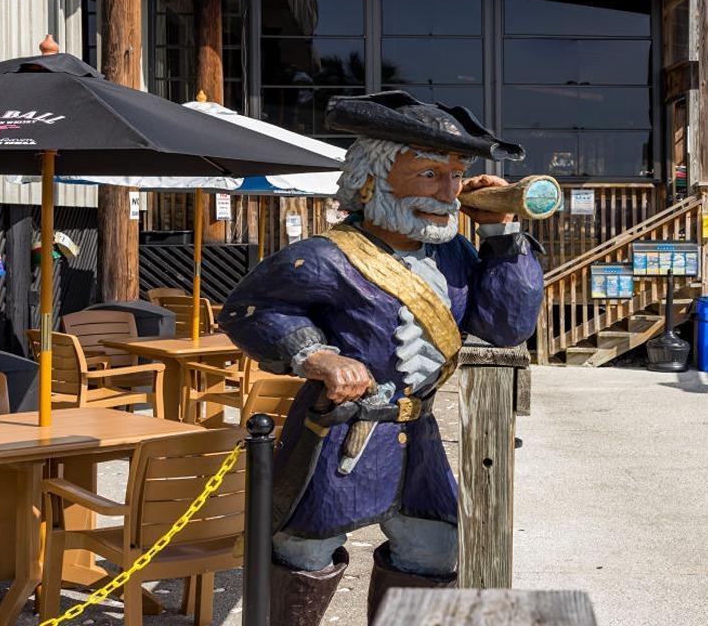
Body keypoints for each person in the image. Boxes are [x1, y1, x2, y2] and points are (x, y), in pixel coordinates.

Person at [218, 91, 544, 625]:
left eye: (456, 176)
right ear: (372, 179)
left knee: (434, 549)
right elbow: (249, 309)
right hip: (338, 434)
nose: (449, 192)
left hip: (417, 434)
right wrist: (316, 355)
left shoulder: (454, 252)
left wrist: (500, 232)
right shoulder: (326, 256)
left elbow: (505, 324)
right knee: (305, 550)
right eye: (430, 175)